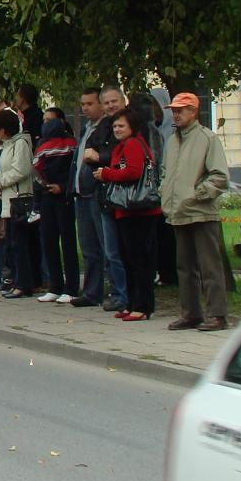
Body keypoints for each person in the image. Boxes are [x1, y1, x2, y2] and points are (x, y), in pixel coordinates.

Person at [161, 93, 231, 332]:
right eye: (174, 110)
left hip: (201, 212)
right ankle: (190, 313)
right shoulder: (172, 140)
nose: (176, 114)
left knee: (209, 266)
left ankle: (217, 314)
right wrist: (165, 191)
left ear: (193, 111)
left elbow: (220, 176)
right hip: (178, 211)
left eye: (181, 110)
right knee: (185, 267)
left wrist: (197, 194)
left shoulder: (207, 138)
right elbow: (165, 172)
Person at [95, 108, 162, 321]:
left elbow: (133, 171)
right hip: (127, 210)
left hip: (139, 210)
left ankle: (142, 306)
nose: (117, 129)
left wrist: (107, 174)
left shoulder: (133, 144)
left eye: (121, 125)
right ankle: (132, 303)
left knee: (140, 259)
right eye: (114, 126)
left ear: (132, 126)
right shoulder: (123, 145)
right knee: (128, 257)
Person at [82, 86, 129, 311]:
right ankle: (117, 293)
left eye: (114, 101)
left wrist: (100, 157)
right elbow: (91, 146)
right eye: (107, 102)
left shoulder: (131, 123)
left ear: (123, 100)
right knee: (108, 249)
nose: (111, 106)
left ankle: (124, 294)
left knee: (120, 249)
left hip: (125, 196)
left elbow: (125, 155)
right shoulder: (103, 126)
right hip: (103, 194)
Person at [34, 114, 79, 303]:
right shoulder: (46, 144)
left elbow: (72, 169)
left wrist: (61, 186)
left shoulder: (70, 144)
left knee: (67, 242)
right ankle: (55, 285)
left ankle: (71, 287)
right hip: (48, 195)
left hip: (63, 196)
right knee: (49, 240)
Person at [0, 109, 35, 297]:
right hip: (8, 200)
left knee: (19, 245)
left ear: (4, 129)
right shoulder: (7, 145)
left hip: (19, 199)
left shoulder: (21, 143)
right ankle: (15, 281)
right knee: (10, 245)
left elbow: (20, 170)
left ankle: (23, 284)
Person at [71, 88, 107, 308]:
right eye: (83, 104)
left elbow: (107, 156)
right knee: (88, 246)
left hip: (96, 191)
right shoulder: (87, 128)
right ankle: (92, 292)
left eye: (89, 104)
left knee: (104, 244)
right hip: (81, 192)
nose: (85, 108)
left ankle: (112, 291)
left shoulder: (107, 127)